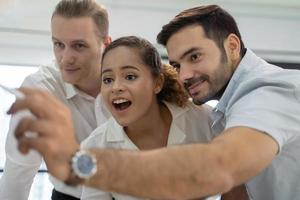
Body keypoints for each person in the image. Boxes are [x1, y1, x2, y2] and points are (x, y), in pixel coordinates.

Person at [8, 4, 300, 200]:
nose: (185, 75)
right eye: (178, 63)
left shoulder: (267, 92)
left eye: (195, 56)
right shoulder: (226, 111)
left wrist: (80, 165)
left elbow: (219, 168)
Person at [80, 36, 219, 200]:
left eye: (130, 76)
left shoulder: (203, 120)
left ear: (157, 83)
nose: (115, 87)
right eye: (108, 79)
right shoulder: (95, 148)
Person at [0, 0, 111, 200]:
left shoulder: (133, 80)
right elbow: (18, 174)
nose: (65, 58)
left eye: (79, 46)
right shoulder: (38, 91)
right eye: (58, 44)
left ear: (106, 44)